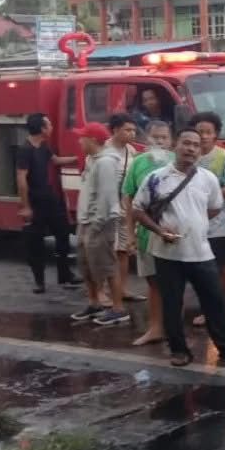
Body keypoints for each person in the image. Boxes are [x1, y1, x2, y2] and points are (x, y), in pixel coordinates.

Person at [132, 126, 225, 366]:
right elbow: (137, 209)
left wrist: (194, 221)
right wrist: (160, 230)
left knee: (215, 302)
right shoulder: (156, 178)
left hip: (200, 252)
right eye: (186, 143)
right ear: (176, 145)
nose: (191, 149)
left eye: (196, 145)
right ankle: (179, 350)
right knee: (172, 304)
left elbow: (215, 206)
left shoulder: (207, 179)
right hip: (166, 253)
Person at [124, 120, 175, 346]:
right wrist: (130, 235)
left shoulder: (179, 161)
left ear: (171, 140)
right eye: (155, 137)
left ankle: (174, 330)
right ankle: (155, 328)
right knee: (153, 283)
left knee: (175, 284)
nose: (160, 142)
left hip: (174, 235)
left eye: (164, 137)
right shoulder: (138, 164)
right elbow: (128, 199)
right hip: (146, 234)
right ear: (147, 140)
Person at [191, 111, 225, 328]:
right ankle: (208, 311)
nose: (203, 136)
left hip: (217, 224)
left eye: (208, 132)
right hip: (194, 222)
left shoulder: (224, 157)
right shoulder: (189, 155)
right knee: (200, 269)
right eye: (200, 132)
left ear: (216, 134)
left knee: (221, 267)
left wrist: (209, 197)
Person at [17, 113, 79, 293]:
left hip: (49, 197)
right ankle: (39, 281)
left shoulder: (43, 145)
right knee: (35, 243)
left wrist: (77, 158)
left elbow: (56, 160)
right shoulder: (25, 149)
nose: (52, 127)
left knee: (63, 234)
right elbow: (21, 179)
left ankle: (65, 274)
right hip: (35, 201)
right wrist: (26, 206)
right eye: (49, 125)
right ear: (42, 129)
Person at [72, 122, 123, 322]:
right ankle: (94, 303)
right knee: (86, 265)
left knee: (107, 265)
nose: (79, 140)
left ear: (92, 140)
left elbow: (107, 197)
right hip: (86, 221)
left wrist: (97, 224)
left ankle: (118, 308)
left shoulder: (106, 163)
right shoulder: (93, 160)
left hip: (100, 223)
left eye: (82, 137)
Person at [91, 114, 138, 327]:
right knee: (104, 254)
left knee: (123, 252)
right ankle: (101, 293)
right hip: (107, 211)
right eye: (127, 130)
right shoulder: (101, 151)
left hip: (124, 210)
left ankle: (121, 289)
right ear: (115, 130)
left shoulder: (132, 152)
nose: (132, 134)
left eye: (133, 130)